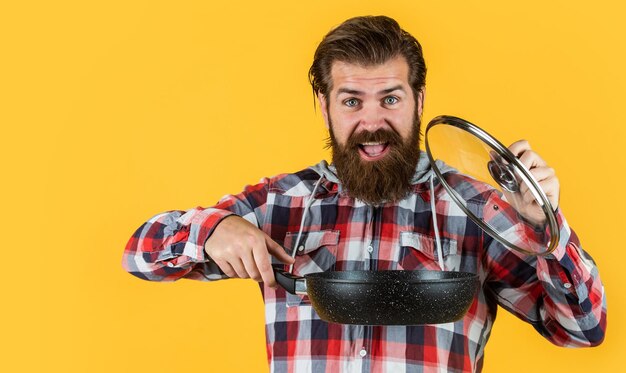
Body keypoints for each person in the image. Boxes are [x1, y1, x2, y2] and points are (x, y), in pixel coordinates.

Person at [122, 15, 606, 372]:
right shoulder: (281, 204)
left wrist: (544, 225)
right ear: (324, 105)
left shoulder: (477, 209)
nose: (372, 123)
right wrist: (212, 228)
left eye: (390, 99)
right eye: (352, 101)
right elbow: (139, 254)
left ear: (419, 101)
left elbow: (582, 330)